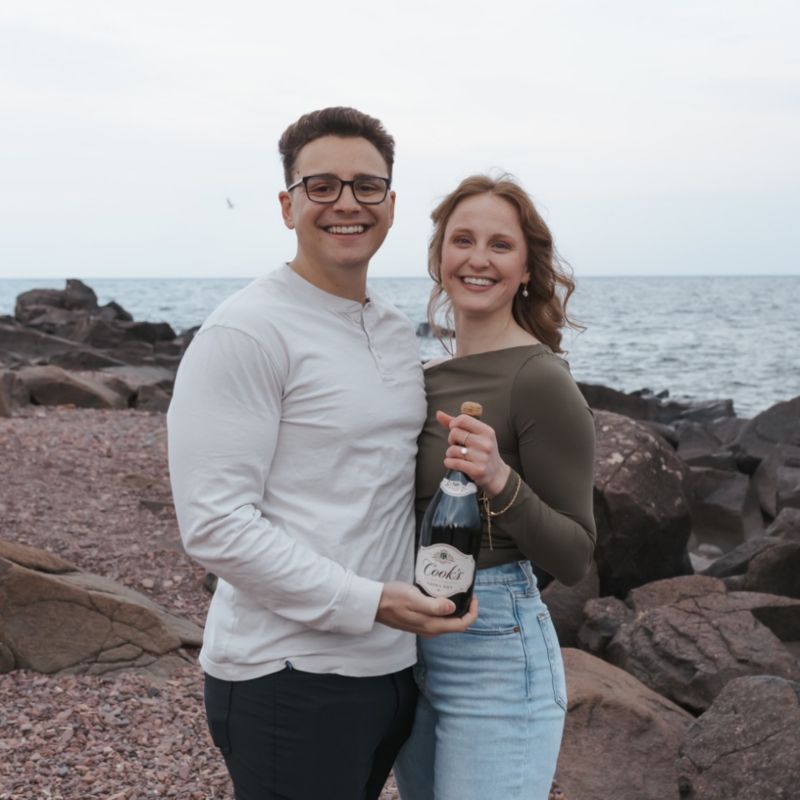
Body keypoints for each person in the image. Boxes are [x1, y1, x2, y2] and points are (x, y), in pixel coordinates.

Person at [167, 107, 477, 800]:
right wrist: (372, 602)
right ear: (288, 206)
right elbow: (214, 524)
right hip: (286, 676)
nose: (347, 203)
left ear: (391, 205)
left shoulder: (392, 330)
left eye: (367, 186)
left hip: (390, 669)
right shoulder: (246, 331)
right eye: (322, 186)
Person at [394, 174, 597, 800]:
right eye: (463, 240)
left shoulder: (539, 378)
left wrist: (499, 478)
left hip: (494, 648)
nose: (478, 259)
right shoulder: (421, 374)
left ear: (527, 269)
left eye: (500, 245)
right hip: (407, 631)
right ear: (439, 256)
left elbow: (575, 555)